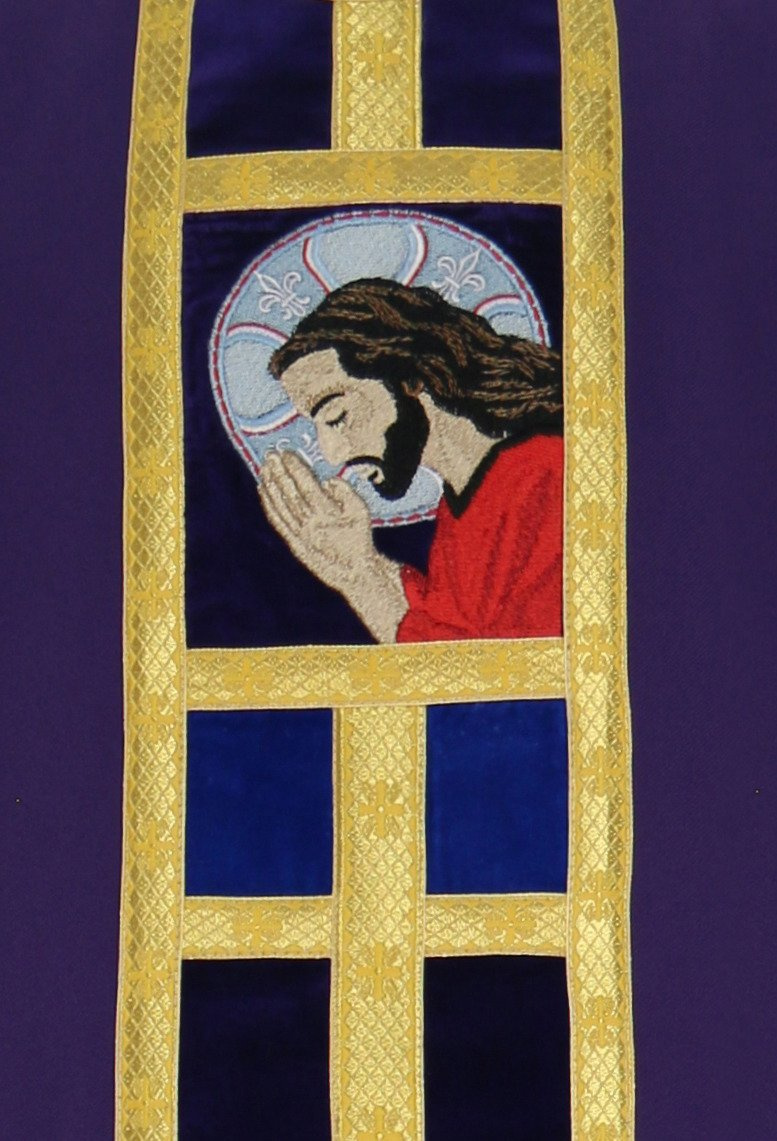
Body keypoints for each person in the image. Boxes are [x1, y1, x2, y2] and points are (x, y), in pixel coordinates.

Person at [258, 277, 563, 643]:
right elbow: (446, 620)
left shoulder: (545, 476)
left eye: (337, 417)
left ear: (412, 380)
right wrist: (357, 561)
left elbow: (490, 667)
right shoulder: (459, 506)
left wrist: (361, 580)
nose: (332, 452)